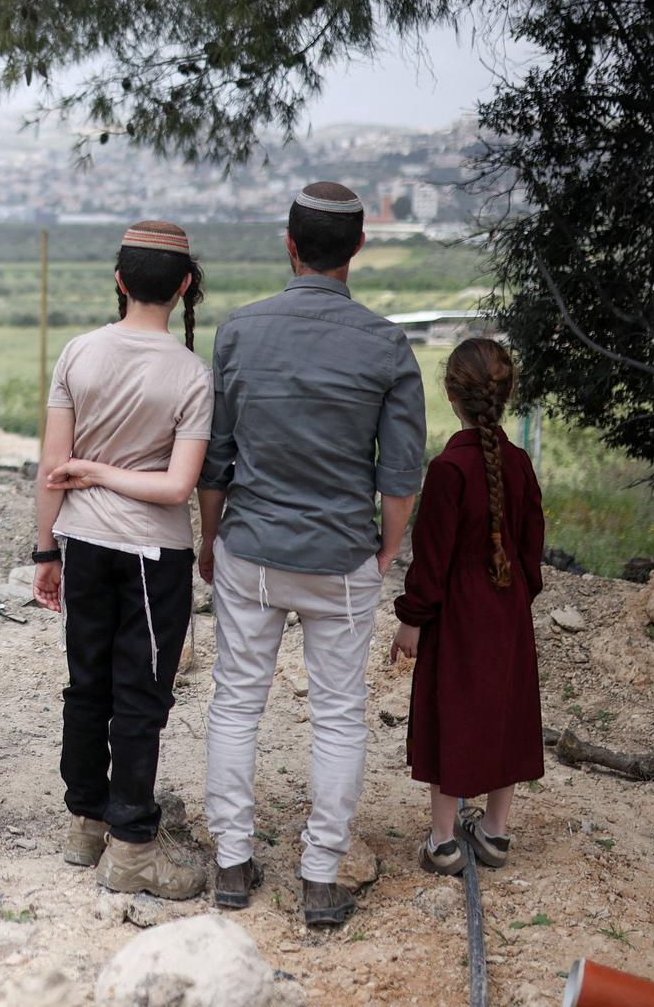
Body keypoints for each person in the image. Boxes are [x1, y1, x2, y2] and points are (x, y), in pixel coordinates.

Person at [198, 181, 427, 929]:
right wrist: (385, 549)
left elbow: (217, 459)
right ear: (357, 246)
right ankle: (321, 876)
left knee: (237, 700)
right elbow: (400, 472)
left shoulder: (238, 331)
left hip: (251, 550)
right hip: (341, 556)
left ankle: (232, 864)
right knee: (337, 715)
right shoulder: (387, 345)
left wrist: (209, 539)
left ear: (290, 246)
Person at [33, 222, 213, 900]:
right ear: (185, 286)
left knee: (87, 685)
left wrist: (47, 547)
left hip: (82, 542)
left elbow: (53, 468)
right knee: (141, 697)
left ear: (119, 279)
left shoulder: (78, 352)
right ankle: (132, 846)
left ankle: (86, 825)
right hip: (152, 554)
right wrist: (109, 475)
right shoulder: (192, 373)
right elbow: (177, 487)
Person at [391, 338, 546, 876]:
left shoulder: (448, 469)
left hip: (456, 617)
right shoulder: (520, 463)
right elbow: (531, 550)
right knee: (504, 712)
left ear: (451, 394)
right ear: (505, 396)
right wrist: (515, 598)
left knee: (448, 714)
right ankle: (495, 833)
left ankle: (442, 842)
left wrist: (412, 620)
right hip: (508, 611)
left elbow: (431, 559)